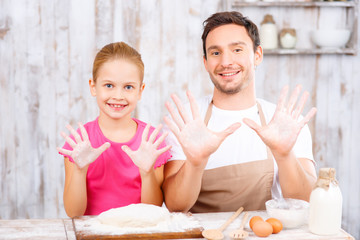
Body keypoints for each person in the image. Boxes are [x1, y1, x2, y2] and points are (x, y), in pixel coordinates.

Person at [162, 11, 317, 213]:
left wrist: (284, 154)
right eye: (216, 53)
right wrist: (195, 163)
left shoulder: (286, 121)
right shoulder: (186, 121)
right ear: (206, 62)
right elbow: (175, 204)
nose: (226, 62)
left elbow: (305, 201)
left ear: (257, 55)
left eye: (237, 49)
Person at [57, 42, 172, 217]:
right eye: (109, 85)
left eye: (128, 87)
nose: (118, 96)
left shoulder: (151, 141)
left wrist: (147, 173)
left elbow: (153, 210)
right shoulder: (79, 141)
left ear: (140, 91)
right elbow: (74, 212)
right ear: (93, 86)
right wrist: (80, 171)